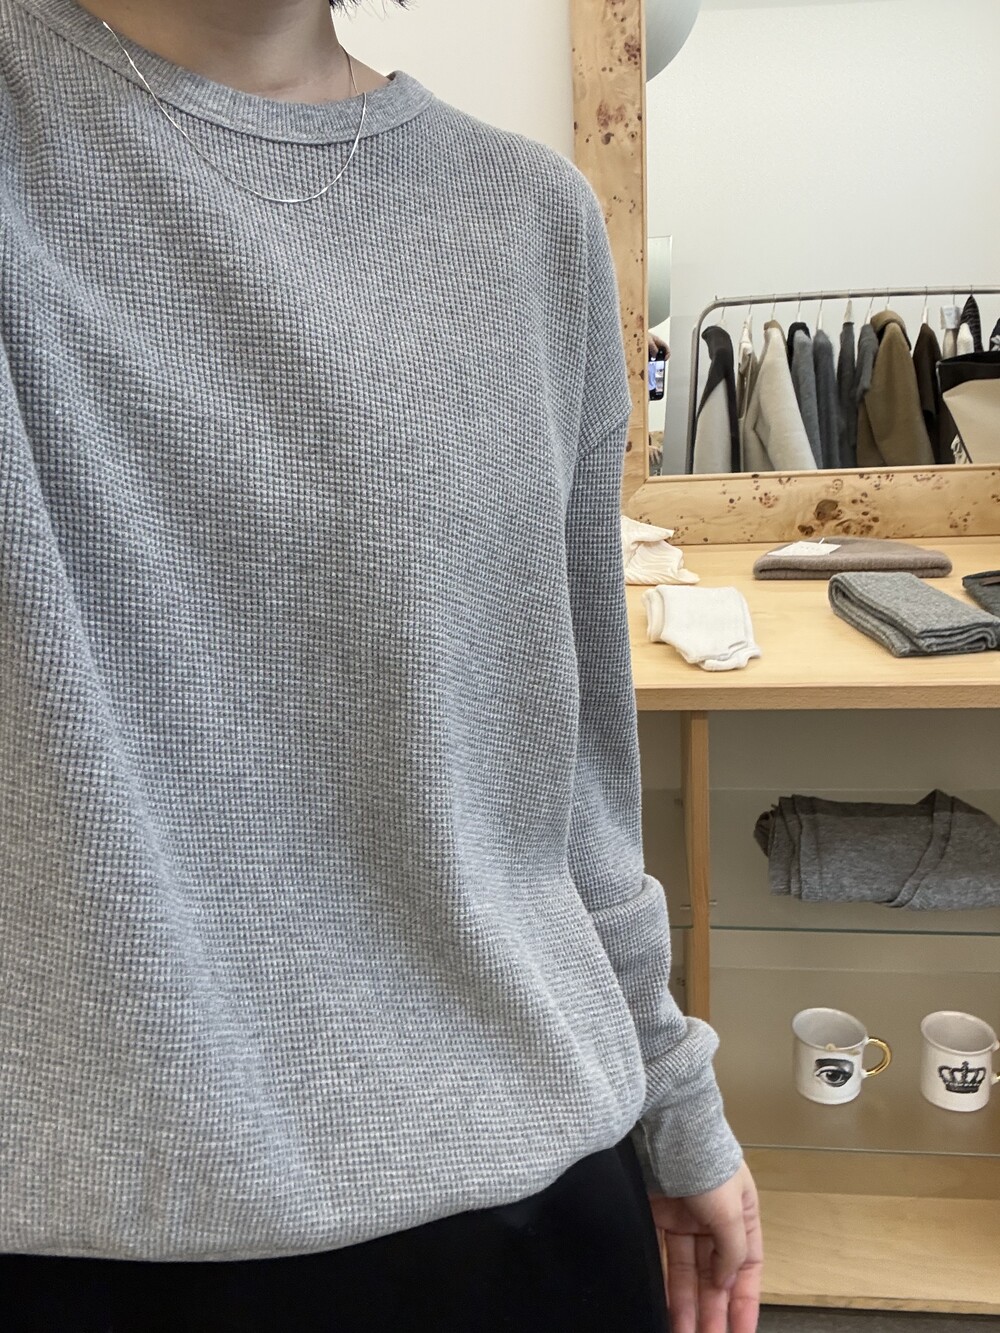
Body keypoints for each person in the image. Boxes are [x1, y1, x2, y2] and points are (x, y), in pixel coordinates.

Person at [0, 0, 762, 1328]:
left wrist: (675, 1087)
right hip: (78, 1233)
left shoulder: (528, 220)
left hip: (532, 1201)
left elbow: (570, 766)